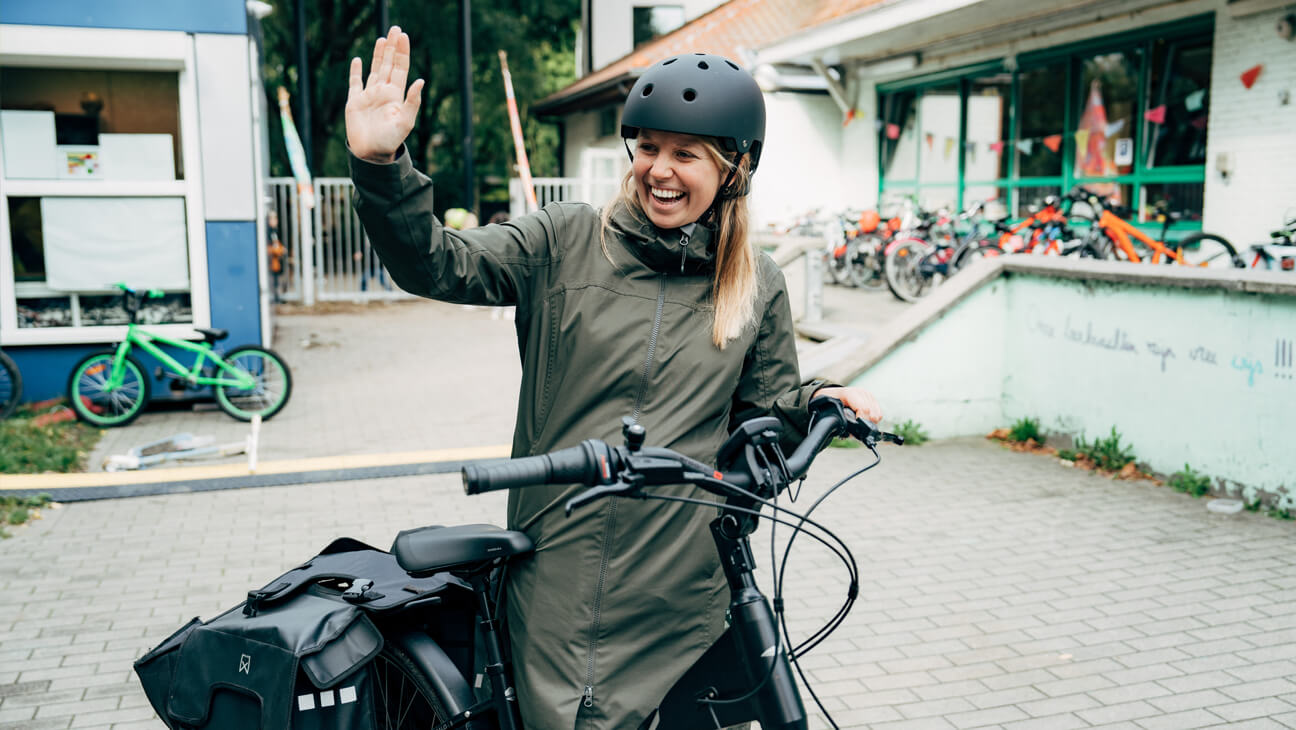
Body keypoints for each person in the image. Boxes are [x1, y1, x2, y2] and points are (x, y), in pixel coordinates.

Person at [345, 26, 882, 730]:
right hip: (557, 578)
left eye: (686, 153)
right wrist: (381, 165)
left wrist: (820, 402)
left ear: (733, 170)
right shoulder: (565, 241)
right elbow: (436, 263)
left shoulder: (756, 284)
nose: (659, 169)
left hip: (682, 589)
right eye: (650, 147)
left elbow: (766, 418)